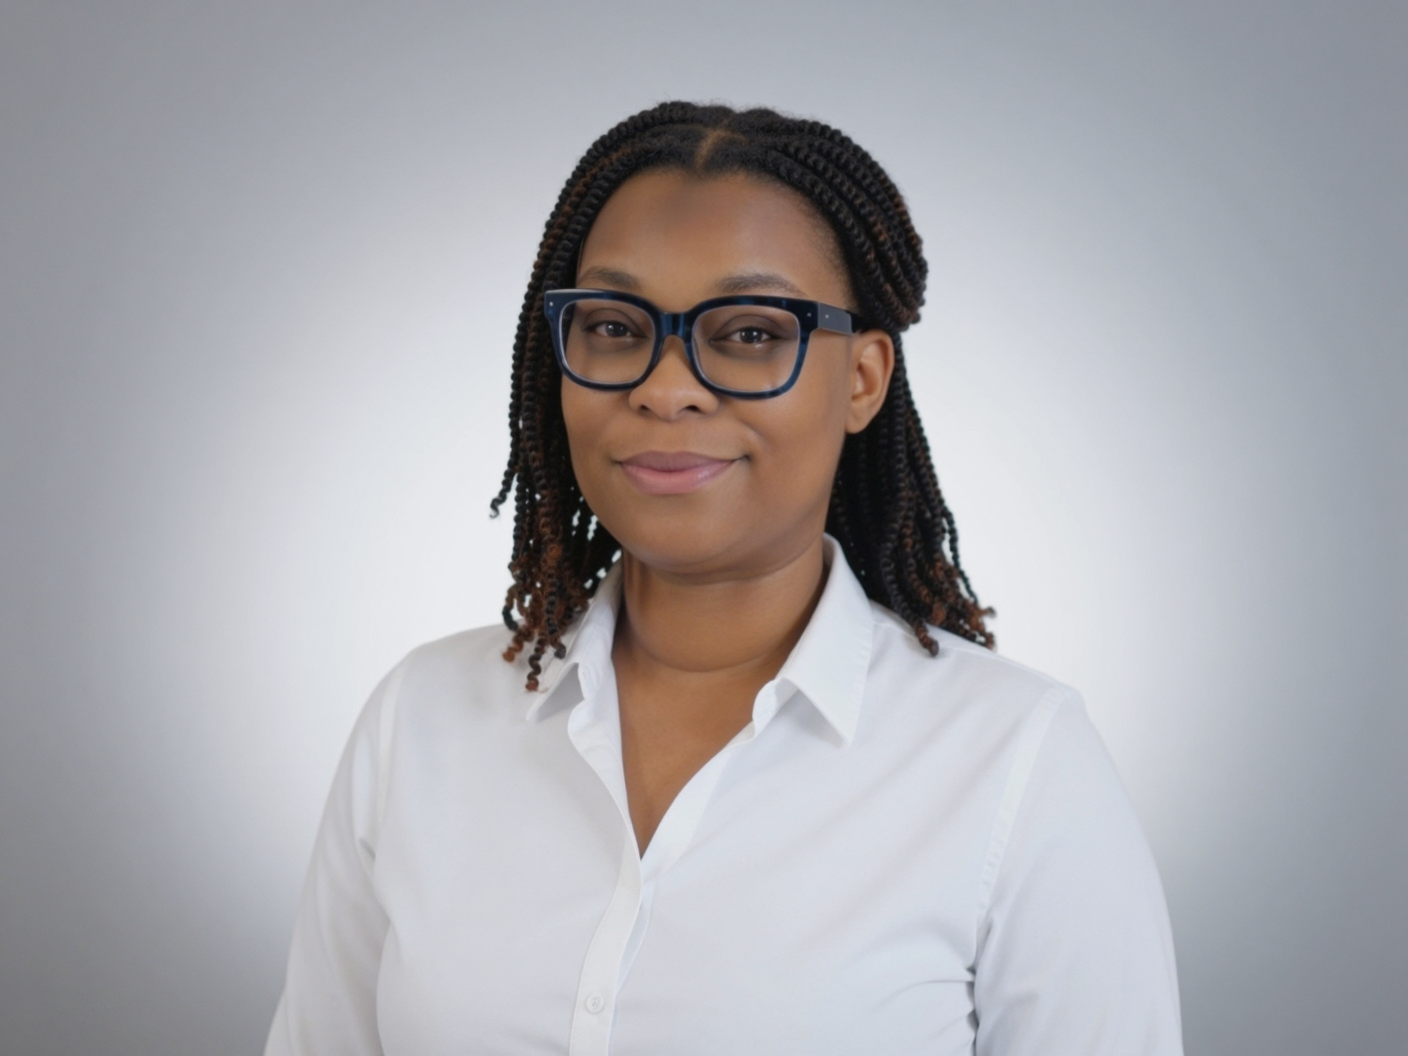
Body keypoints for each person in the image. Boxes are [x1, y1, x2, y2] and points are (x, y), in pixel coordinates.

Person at [265, 102, 1183, 1056]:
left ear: (863, 379)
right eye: (616, 327)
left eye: (749, 333)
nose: (665, 387)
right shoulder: (422, 719)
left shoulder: (1016, 763)